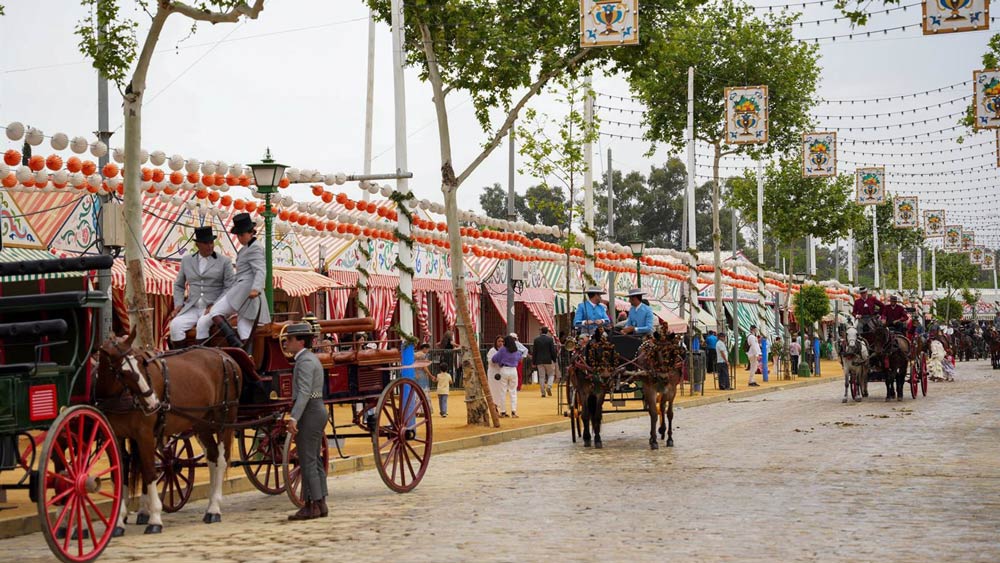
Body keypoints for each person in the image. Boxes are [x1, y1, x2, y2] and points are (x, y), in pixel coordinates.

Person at [196, 213, 270, 346]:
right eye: (238, 235)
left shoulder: (255, 248)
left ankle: (234, 345)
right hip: (242, 292)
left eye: (242, 235)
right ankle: (247, 359)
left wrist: (256, 288)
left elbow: (260, 270)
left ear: (250, 232)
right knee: (244, 329)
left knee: (215, 311)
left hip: (245, 292)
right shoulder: (247, 248)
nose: (240, 238)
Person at [283, 323, 328, 520]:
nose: (286, 342)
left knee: (307, 459)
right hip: (315, 409)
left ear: (300, 341)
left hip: (310, 411)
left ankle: (311, 505)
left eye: (290, 339)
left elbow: (304, 392)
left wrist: (294, 417)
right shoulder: (310, 359)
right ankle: (320, 503)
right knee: (314, 459)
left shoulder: (305, 362)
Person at [169, 226, 234, 348]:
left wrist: (216, 304)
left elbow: (229, 287)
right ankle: (182, 359)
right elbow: (178, 285)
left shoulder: (225, 261)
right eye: (206, 243)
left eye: (211, 242)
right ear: (197, 245)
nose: (210, 246)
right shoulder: (186, 261)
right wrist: (178, 304)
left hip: (214, 308)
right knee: (175, 325)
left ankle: (203, 358)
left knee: (202, 325)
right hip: (192, 307)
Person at [491, 335, 523, 418]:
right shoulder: (516, 351)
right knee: (513, 392)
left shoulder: (503, 350)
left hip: (504, 369)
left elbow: (494, 359)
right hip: (513, 370)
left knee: (503, 391)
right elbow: (520, 357)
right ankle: (513, 411)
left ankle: (503, 411)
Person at [532, 327, 558, 397]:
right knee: (551, 374)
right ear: (547, 332)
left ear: (541, 331)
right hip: (549, 360)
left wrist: (533, 362)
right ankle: (549, 386)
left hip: (539, 360)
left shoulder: (536, 340)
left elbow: (534, 351)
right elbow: (552, 350)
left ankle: (543, 392)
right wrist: (554, 359)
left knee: (541, 376)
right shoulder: (550, 339)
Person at [486, 335, 505, 414]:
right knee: (493, 390)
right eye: (499, 341)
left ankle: (502, 409)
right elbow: (491, 361)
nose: (501, 343)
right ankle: (494, 408)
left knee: (501, 390)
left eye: (502, 341)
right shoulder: (492, 350)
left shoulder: (504, 350)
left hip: (501, 372)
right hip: (493, 373)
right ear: (496, 342)